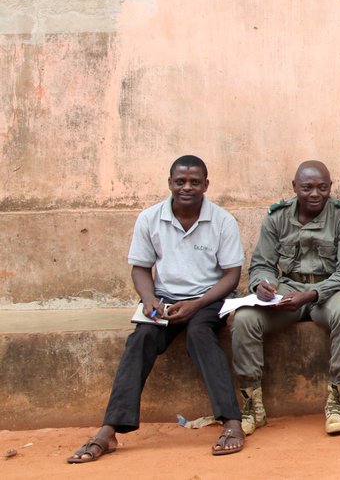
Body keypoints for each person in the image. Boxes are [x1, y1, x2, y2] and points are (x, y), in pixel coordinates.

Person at [68, 155, 245, 463]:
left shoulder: (223, 221)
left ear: (206, 185)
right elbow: (140, 268)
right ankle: (109, 430)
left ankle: (231, 421)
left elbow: (231, 276)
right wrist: (149, 298)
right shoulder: (150, 218)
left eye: (194, 182)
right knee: (141, 338)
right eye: (180, 182)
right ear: (170, 184)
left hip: (207, 300)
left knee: (200, 335)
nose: (187, 187)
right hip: (162, 299)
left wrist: (198, 303)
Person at [231, 161, 340, 436]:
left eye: (322, 188)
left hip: (329, 292)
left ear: (330, 187)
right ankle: (251, 403)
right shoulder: (277, 216)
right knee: (244, 318)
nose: (315, 194)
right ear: (294, 187)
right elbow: (262, 264)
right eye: (307, 188)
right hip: (288, 290)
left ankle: (337, 398)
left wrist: (311, 295)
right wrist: (262, 285)